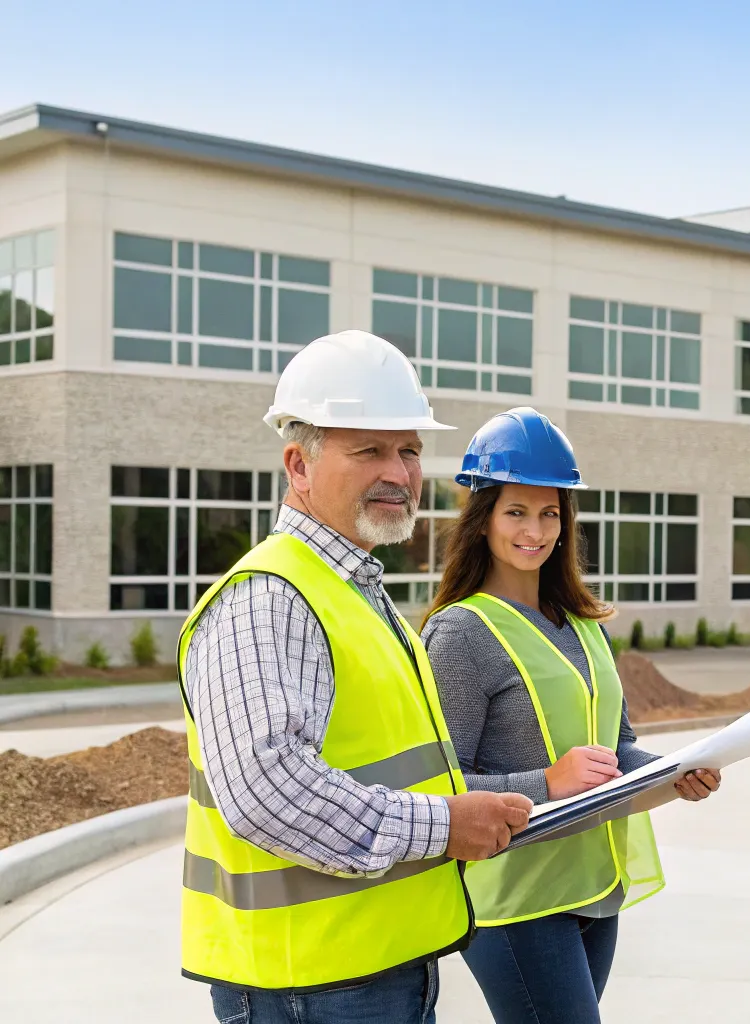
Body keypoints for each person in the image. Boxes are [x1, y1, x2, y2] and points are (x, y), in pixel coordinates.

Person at [180, 330, 535, 1024]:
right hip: (308, 988)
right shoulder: (270, 599)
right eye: (368, 450)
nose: (399, 473)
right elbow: (265, 792)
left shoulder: (356, 593)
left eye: (408, 450)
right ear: (298, 465)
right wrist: (443, 826)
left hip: (372, 972)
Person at [421, 407, 720, 1023]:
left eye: (550, 513)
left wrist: (677, 771)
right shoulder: (462, 634)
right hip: (516, 900)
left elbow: (619, 746)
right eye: (516, 512)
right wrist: (546, 783)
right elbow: (436, 786)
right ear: (482, 522)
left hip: (593, 889)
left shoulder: (583, 627)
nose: (535, 529)